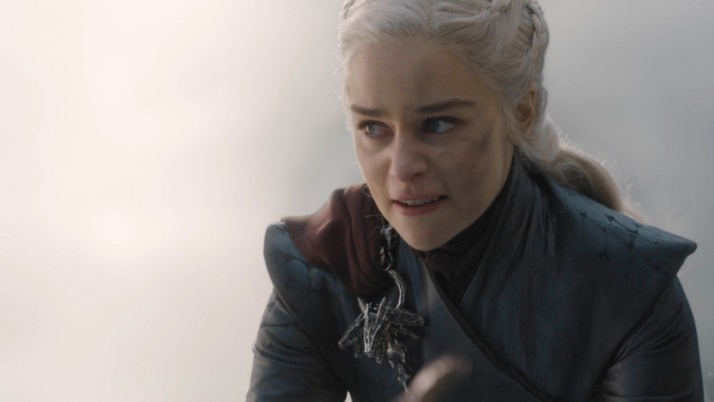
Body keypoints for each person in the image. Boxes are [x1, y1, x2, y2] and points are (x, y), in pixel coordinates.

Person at [247, 0, 704, 400]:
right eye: (373, 128)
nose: (401, 168)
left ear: (521, 113)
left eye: (437, 125)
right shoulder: (323, 263)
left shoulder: (629, 287)